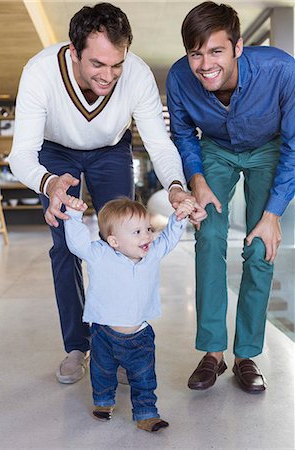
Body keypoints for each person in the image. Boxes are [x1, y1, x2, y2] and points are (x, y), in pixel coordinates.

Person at [8, 3, 207, 383]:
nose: (109, 75)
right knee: (65, 246)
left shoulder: (137, 75)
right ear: (73, 49)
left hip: (112, 149)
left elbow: (160, 145)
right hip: (54, 152)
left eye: (117, 64)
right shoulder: (39, 72)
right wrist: (49, 183)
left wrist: (177, 189)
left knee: (125, 241)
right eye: (98, 64)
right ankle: (77, 347)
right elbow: (21, 154)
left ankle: (118, 340)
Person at [166, 1, 295, 393]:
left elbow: (294, 146)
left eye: (216, 51)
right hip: (216, 150)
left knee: (260, 248)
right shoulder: (178, 78)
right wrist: (197, 177)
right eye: (196, 53)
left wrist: (273, 214)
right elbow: (184, 134)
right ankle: (213, 354)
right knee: (208, 237)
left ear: (238, 47)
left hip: (269, 148)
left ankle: (247, 356)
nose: (205, 64)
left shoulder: (282, 71)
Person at [63, 196, 194, 432]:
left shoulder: (151, 254)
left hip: (139, 336)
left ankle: (146, 414)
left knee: (144, 377)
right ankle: (103, 403)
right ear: (113, 240)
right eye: (137, 232)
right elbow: (77, 244)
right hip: (104, 333)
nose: (147, 236)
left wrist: (179, 217)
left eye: (148, 229)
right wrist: (73, 216)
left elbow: (169, 238)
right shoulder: (100, 254)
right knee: (102, 372)